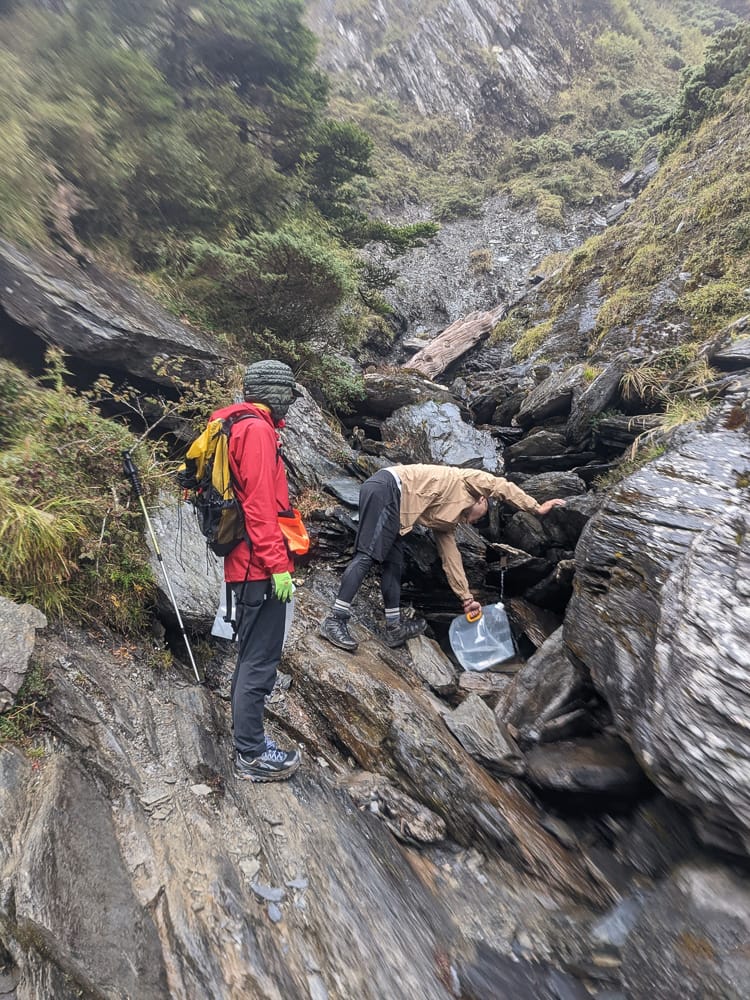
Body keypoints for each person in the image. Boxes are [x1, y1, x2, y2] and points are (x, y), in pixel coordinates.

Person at [319, 463, 566, 652]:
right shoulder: (466, 481)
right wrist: (535, 507)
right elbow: (498, 484)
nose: (478, 520)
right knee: (367, 555)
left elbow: (451, 558)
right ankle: (334, 620)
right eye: (482, 514)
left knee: (394, 565)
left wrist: (466, 598)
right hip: (387, 488)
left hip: (398, 509)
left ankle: (393, 628)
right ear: (481, 499)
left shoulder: (448, 520)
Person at [211, 360, 302, 782]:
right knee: (260, 661)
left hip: (243, 565)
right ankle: (251, 754)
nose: (291, 403)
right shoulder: (259, 432)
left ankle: (245, 738)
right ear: (274, 391)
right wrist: (279, 567)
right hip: (258, 567)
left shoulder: (239, 426)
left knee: (250, 656)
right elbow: (261, 509)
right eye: (289, 394)